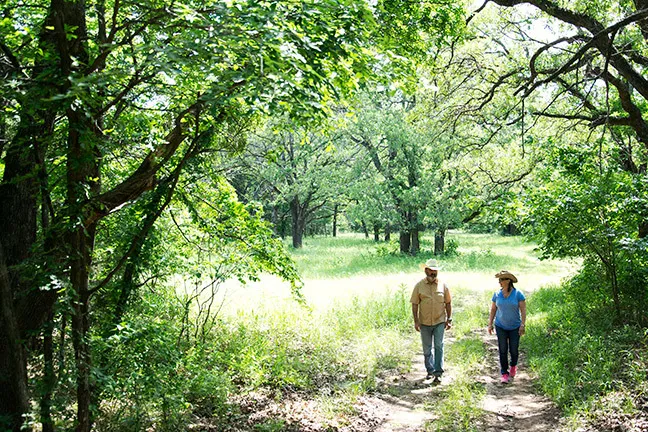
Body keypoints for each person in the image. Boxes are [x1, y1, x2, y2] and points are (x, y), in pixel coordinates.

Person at [410, 258, 452, 383]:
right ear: (426, 271)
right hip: (424, 322)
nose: (433, 274)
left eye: (435, 271)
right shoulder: (419, 286)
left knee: (439, 346)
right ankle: (430, 370)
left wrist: (449, 319)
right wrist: (416, 321)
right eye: (431, 271)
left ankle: (438, 372)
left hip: (439, 321)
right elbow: (414, 304)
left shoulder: (443, 285)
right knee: (427, 348)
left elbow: (448, 303)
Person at [488, 270, 527, 384]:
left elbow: (523, 310)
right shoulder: (496, 294)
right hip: (500, 325)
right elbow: (493, 309)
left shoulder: (518, 294)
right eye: (499, 280)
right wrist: (490, 324)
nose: (499, 282)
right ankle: (504, 373)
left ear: (508, 281)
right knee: (503, 349)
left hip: (515, 326)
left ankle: (513, 366)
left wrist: (522, 324)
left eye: (501, 280)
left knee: (514, 350)